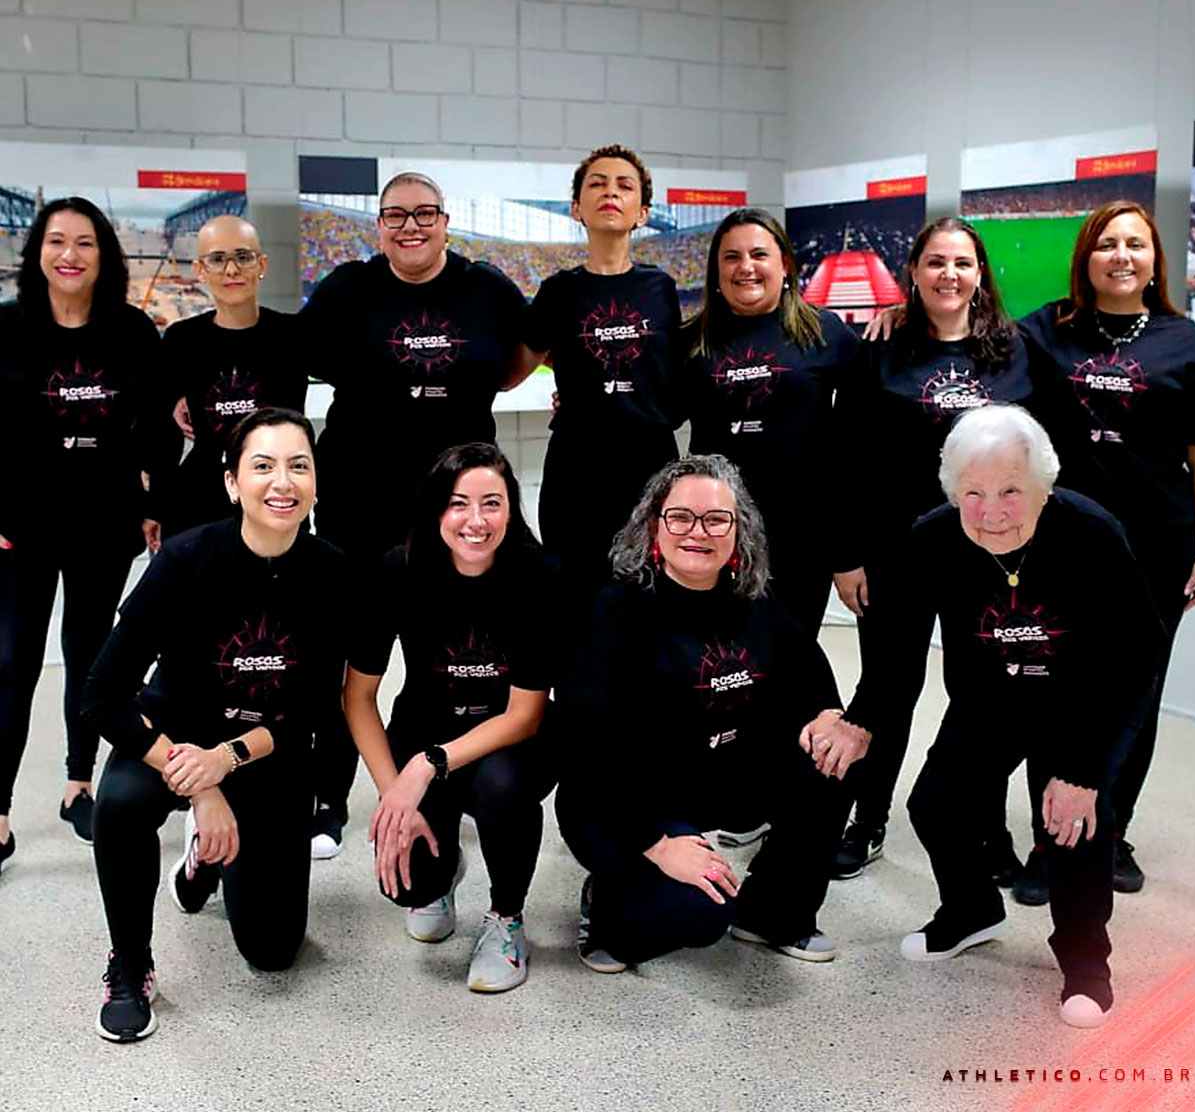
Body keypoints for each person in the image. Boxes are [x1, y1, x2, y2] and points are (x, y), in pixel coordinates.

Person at [865, 404, 1161, 1028]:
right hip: (988, 701)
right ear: (952, 491)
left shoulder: (1091, 531)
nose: (991, 511)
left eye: (1010, 491)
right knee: (935, 806)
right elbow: (896, 645)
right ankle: (971, 911)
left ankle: (1085, 960)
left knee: (1073, 823)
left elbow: (1136, 652)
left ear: (1043, 486)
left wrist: (1082, 769)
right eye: (972, 492)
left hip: (1079, 703)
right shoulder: (932, 538)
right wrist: (861, 718)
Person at [84, 408, 348, 1042]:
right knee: (117, 804)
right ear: (232, 482)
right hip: (175, 740)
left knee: (273, 951)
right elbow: (102, 694)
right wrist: (200, 784)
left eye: (297, 466)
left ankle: (205, 865)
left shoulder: (331, 571)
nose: (281, 482)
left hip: (264, 752)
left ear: (315, 482)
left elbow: (314, 707)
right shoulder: (184, 560)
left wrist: (226, 761)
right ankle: (131, 961)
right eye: (262, 466)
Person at [556, 455, 871, 973]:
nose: (697, 532)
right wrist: (656, 844)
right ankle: (608, 905)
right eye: (680, 517)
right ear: (654, 527)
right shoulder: (615, 611)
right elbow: (589, 748)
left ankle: (773, 913)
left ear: (737, 532)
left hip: (719, 778)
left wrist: (828, 715)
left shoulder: (752, 601)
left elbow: (810, 676)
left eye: (716, 519)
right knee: (700, 916)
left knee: (838, 755)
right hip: (623, 802)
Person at [298, 171, 532, 858]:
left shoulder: (486, 287)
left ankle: (468, 775)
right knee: (352, 655)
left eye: (424, 213)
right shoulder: (347, 289)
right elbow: (296, 357)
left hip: (459, 512)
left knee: (466, 650)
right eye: (396, 215)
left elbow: (519, 359)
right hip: (360, 504)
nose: (411, 226)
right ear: (378, 225)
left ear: (446, 220)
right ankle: (327, 797)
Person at [830, 218, 1033, 880]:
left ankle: (988, 828)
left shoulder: (1013, 351)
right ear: (913, 272)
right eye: (936, 262)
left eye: (963, 263)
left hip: (988, 556)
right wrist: (847, 555)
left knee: (985, 692)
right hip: (895, 554)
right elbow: (847, 459)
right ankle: (869, 818)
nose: (950, 274)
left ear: (980, 275)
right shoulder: (879, 348)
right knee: (887, 688)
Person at [1016, 201, 1195, 899]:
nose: (1121, 256)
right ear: (1086, 257)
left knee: (1134, 693)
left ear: (1155, 259)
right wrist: (894, 314)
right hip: (1062, 538)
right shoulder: (1045, 331)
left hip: (1158, 540)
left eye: (1136, 245)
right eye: (1107, 245)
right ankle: (1050, 838)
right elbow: (970, 346)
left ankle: (1107, 831)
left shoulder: (1188, 342)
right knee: (1057, 691)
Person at [342, 443, 558, 993]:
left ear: (512, 510)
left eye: (492, 503)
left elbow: (525, 715)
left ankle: (507, 919)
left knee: (501, 784)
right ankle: (444, 874)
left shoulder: (538, 575)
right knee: (408, 888)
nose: (476, 521)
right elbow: (358, 697)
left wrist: (428, 765)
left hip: (509, 742)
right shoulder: (399, 567)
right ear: (437, 508)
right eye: (459, 504)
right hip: (424, 733)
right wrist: (394, 792)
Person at [0, 197, 162, 862]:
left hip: (104, 520)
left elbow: (154, 424)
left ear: (104, 256)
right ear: (38, 250)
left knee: (89, 662)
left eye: (85, 243)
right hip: (20, 526)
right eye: (57, 240)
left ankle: (77, 785)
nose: (69, 254)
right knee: (11, 663)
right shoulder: (7, 328)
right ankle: (0, 810)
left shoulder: (131, 331)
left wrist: (154, 495)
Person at [683, 208, 859, 639]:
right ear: (716, 271)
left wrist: (847, 552)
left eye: (759, 254)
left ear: (784, 265)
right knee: (720, 662)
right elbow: (648, 409)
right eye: (731, 257)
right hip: (716, 535)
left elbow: (865, 433)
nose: (746, 267)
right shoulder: (690, 342)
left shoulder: (827, 334)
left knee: (791, 667)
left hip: (802, 540)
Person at [523, 145, 683, 594]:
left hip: (650, 465)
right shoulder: (558, 292)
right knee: (577, 595)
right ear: (577, 208)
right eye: (597, 183)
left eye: (624, 185)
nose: (610, 192)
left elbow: (672, 371)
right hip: (576, 470)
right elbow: (516, 367)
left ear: (642, 211)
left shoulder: (661, 287)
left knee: (650, 597)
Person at [156, 215, 307, 538]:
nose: (231, 270)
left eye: (243, 257)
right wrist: (155, 505)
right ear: (200, 269)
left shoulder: (292, 335)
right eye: (217, 259)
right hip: (199, 504)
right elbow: (159, 432)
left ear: (261, 264)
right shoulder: (182, 340)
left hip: (277, 500)